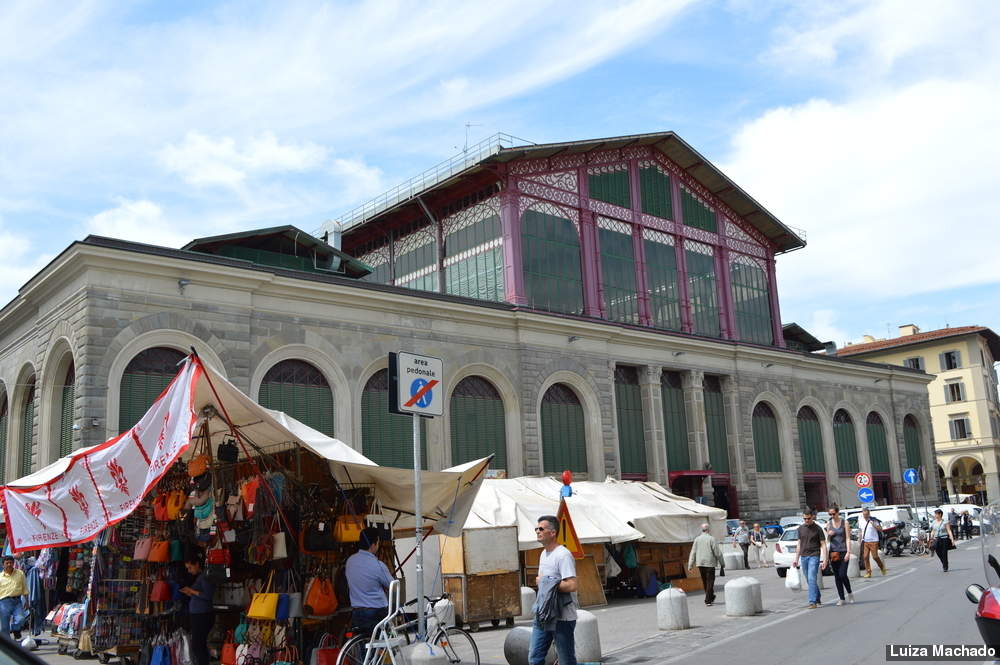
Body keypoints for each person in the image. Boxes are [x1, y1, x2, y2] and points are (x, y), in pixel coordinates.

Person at [529, 515, 578, 665]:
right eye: (536, 529)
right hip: (543, 613)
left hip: (562, 616)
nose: (537, 531)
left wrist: (546, 582)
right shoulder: (543, 554)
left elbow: (572, 585)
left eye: (541, 528)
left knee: (566, 660)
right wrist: (545, 583)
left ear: (552, 532)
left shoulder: (563, 555)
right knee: (535, 658)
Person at [345, 527, 395, 636]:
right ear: (373, 545)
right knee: (382, 642)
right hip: (376, 612)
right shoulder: (377, 565)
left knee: (364, 643)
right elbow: (393, 586)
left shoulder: (350, 561)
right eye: (378, 543)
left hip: (357, 611)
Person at [180, 554, 214, 665]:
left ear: (197, 564)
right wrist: (190, 593)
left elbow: (207, 596)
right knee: (199, 645)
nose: (189, 571)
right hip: (198, 614)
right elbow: (200, 595)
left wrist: (192, 591)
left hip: (203, 615)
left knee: (197, 645)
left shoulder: (204, 577)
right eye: (187, 568)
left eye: (190, 567)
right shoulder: (200, 577)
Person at [792, 508, 827, 609]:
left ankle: (812, 602)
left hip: (814, 555)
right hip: (803, 556)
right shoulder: (800, 528)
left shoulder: (818, 529)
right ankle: (817, 596)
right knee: (808, 579)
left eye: (808, 518)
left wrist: (825, 559)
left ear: (812, 517)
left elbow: (823, 544)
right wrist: (796, 559)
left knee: (812, 578)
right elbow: (799, 544)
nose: (806, 520)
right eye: (805, 519)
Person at [687, 523, 723, 605]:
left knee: (705, 581)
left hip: (700, 564)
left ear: (702, 530)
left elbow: (693, 552)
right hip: (710, 563)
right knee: (710, 581)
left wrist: (690, 565)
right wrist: (722, 563)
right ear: (708, 529)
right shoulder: (711, 539)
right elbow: (717, 552)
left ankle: (711, 596)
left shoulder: (697, 539)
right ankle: (708, 600)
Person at [825, 507, 854, 606]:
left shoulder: (844, 523)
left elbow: (848, 538)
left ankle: (850, 593)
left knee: (843, 574)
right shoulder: (829, 523)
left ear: (838, 513)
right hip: (833, 552)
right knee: (837, 576)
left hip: (843, 551)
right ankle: (842, 598)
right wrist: (829, 534)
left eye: (833, 514)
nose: (832, 516)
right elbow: (827, 540)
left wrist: (848, 552)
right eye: (830, 514)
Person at [0, 556, 27, 641]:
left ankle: (15, 629)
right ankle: (7, 645)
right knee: (4, 626)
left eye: (11, 563)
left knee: (21, 619)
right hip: (4, 603)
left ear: (13, 563)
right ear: (3, 565)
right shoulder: (0, 577)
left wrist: (27, 601)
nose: (9, 564)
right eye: (7, 563)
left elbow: (25, 588)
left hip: (17, 602)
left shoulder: (20, 573)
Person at [858, 507, 886, 577]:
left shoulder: (873, 520)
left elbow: (880, 529)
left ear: (869, 514)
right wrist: (859, 540)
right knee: (865, 557)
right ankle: (868, 572)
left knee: (875, 557)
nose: (865, 516)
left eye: (866, 514)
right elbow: (860, 531)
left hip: (874, 541)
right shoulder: (861, 520)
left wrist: (874, 525)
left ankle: (882, 567)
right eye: (864, 515)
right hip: (865, 541)